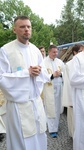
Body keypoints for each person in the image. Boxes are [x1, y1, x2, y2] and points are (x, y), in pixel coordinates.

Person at [0, 16, 51, 150]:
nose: (26, 30)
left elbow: (45, 73)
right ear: (14, 30)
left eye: (28, 27)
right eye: (22, 27)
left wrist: (39, 71)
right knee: (22, 143)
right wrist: (26, 73)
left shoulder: (35, 50)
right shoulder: (5, 50)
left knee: (39, 139)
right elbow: (1, 78)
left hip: (35, 102)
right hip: (18, 106)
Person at [42, 44, 64, 138]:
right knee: (50, 108)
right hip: (49, 88)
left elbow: (65, 72)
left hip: (59, 87)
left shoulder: (60, 62)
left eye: (57, 52)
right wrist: (52, 75)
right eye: (54, 52)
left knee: (58, 107)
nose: (56, 53)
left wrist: (61, 74)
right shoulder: (43, 62)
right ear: (49, 52)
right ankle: (52, 130)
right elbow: (42, 76)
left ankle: (56, 125)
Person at [62, 44, 83, 138]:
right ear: (75, 52)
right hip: (72, 96)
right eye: (80, 51)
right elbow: (67, 83)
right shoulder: (69, 65)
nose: (82, 53)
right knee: (73, 118)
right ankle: (73, 135)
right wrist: (69, 100)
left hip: (83, 96)